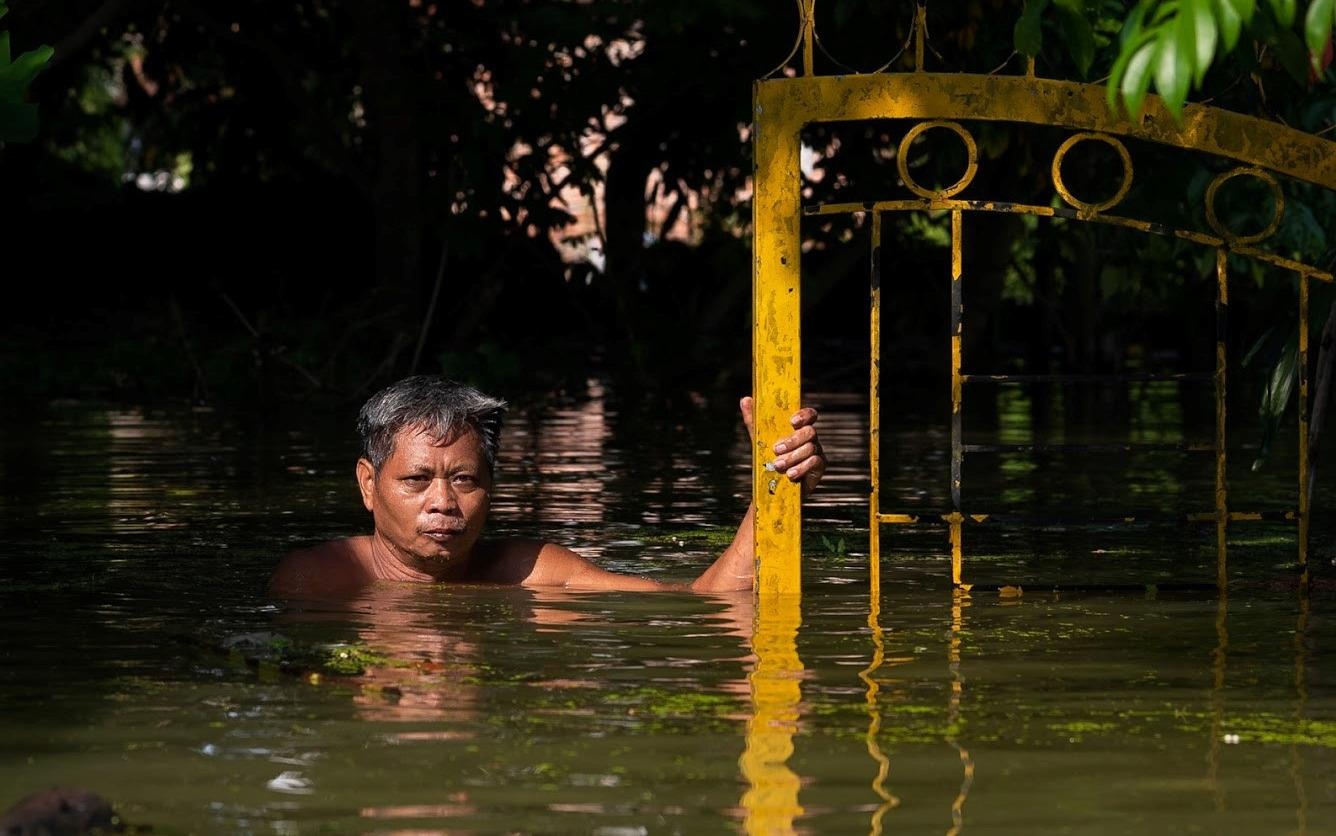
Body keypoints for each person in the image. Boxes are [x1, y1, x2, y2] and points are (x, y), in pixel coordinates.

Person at [268, 375, 825, 597]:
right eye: (416, 479)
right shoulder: (318, 579)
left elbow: (705, 601)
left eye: (465, 479)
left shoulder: (532, 571)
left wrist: (775, 482)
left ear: (493, 484)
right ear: (369, 484)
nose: (442, 502)